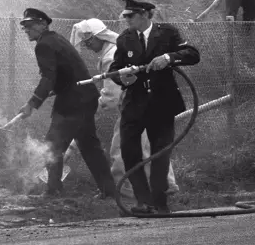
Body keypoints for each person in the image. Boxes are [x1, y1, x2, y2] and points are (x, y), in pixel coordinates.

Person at [66, 19, 180, 196]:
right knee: (151, 145)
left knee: (121, 148)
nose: (88, 46)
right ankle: (167, 184)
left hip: (135, 107)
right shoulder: (118, 49)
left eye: (89, 42)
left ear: (99, 37)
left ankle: (125, 189)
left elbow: (111, 97)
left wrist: (91, 107)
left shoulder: (111, 56)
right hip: (147, 102)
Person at [108, 0, 200, 215]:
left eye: (130, 16)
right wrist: (124, 78)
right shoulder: (125, 39)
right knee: (130, 152)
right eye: (126, 16)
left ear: (145, 15)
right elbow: (115, 69)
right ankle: (143, 201)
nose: (126, 20)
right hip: (134, 105)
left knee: (160, 154)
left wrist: (168, 58)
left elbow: (192, 54)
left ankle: (159, 203)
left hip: (162, 103)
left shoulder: (167, 33)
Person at [15, 8, 117, 198]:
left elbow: (48, 78)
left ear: (43, 24)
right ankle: (109, 190)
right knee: (90, 147)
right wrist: (54, 90)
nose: (26, 30)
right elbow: (65, 73)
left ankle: (53, 191)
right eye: (24, 27)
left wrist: (32, 104)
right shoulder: (56, 39)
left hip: (73, 102)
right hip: (85, 98)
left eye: (30, 25)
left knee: (52, 147)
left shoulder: (44, 45)